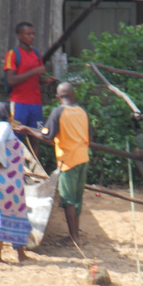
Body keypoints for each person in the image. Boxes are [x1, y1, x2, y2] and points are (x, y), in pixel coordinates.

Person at [22, 81, 91, 242]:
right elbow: (90, 136)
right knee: (77, 198)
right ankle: (75, 234)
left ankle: (73, 237)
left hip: (68, 161)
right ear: (73, 95)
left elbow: (47, 137)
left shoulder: (58, 112)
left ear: (58, 97)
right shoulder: (82, 111)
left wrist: (28, 130)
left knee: (68, 200)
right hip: (83, 159)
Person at [0, 102, 32, 263]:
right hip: (8, 183)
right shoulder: (4, 126)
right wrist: (4, 161)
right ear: (8, 115)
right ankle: (20, 254)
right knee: (17, 213)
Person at [3, 21, 49, 130]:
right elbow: (11, 80)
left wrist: (46, 80)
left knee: (36, 136)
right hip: (19, 103)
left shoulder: (37, 54)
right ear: (19, 36)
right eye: (28, 34)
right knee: (16, 136)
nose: (32, 37)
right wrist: (34, 71)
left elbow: (34, 79)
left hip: (36, 103)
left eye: (33, 34)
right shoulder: (13, 54)